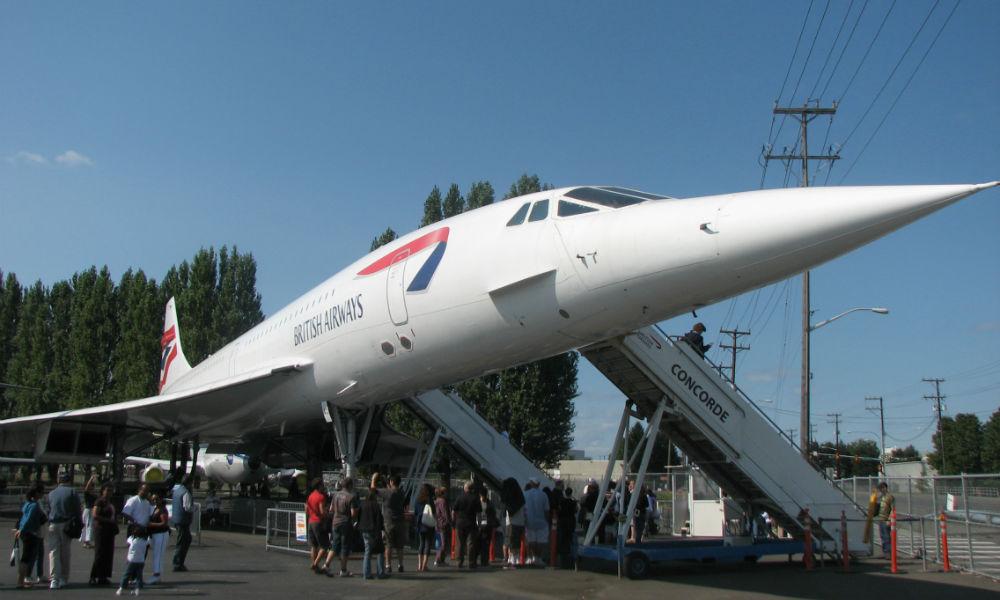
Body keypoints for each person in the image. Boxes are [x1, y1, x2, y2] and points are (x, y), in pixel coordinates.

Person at [47, 471, 82, 589]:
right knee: (65, 551)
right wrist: (79, 524)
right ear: (69, 481)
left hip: (52, 523)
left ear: (59, 481)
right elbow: (77, 510)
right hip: (66, 524)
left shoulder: (51, 493)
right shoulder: (72, 492)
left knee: (53, 552)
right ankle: (63, 577)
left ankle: (54, 579)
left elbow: (49, 508)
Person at [325, 476, 358, 577]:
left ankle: (326, 564)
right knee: (344, 547)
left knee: (334, 544)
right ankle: (343, 570)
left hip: (336, 522)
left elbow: (331, 509)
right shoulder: (351, 497)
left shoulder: (336, 495)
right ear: (350, 486)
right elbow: (353, 513)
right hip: (345, 523)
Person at [14, 488, 46, 589]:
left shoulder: (27, 504)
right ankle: (20, 581)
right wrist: (22, 529)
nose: (42, 494)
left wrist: (20, 528)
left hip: (26, 532)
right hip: (30, 533)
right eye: (41, 492)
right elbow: (28, 519)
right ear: (36, 493)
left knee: (26, 557)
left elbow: (23, 517)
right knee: (26, 558)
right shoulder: (34, 505)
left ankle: (21, 580)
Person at [376, 473, 407, 573]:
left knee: (388, 545)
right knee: (399, 546)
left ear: (392, 482)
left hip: (388, 521)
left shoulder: (387, 492)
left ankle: (388, 565)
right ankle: (400, 564)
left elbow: (374, 490)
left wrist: (373, 479)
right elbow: (391, 490)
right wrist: (387, 481)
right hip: (400, 521)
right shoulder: (401, 492)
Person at [89, 483, 118, 586]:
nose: (109, 493)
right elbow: (95, 515)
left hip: (109, 530)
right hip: (101, 530)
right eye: (107, 490)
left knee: (108, 554)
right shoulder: (99, 501)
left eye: (111, 490)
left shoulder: (110, 502)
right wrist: (107, 520)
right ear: (103, 491)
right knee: (100, 553)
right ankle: (93, 576)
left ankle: (103, 577)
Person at [357, 483, 387, 580]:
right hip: (374, 529)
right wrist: (382, 530)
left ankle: (366, 573)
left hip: (364, 529)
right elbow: (379, 519)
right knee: (380, 551)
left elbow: (359, 517)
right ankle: (381, 572)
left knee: (367, 551)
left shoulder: (363, 504)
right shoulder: (375, 505)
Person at [451, 480, 481, 568]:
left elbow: (453, 511)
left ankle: (459, 561)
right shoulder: (475, 498)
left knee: (459, 543)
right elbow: (479, 514)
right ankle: (471, 562)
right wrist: (479, 524)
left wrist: (454, 521)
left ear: (465, 488)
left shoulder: (460, 498)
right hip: (471, 523)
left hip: (460, 523)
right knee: (470, 543)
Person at [304, 477, 330, 574]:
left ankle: (315, 563)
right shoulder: (321, 497)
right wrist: (327, 513)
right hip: (318, 522)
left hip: (310, 521)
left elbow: (306, 510)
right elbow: (322, 511)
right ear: (319, 486)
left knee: (313, 545)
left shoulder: (310, 496)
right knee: (324, 545)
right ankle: (315, 563)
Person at [522, 478, 550, 566]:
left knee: (530, 540)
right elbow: (546, 510)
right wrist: (548, 520)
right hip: (541, 521)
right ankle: (538, 557)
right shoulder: (543, 495)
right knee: (541, 541)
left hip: (529, 521)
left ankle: (530, 557)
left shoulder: (525, 494)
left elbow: (523, 508)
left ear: (531, 483)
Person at [171, 474, 195, 572]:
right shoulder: (186, 493)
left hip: (177, 519)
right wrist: (196, 508)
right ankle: (177, 563)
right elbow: (187, 507)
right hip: (183, 520)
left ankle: (179, 562)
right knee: (182, 542)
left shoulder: (177, 491)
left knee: (185, 539)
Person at [500, 477, 525, 567]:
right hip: (519, 521)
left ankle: (513, 559)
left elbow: (506, 509)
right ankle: (515, 558)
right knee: (516, 541)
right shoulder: (520, 497)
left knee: (510, 541)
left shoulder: (508, 498)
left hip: (510, 522)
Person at [146, 494, 170, 585]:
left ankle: (156, 575)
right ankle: (156, 575)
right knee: (156, 554)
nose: (155, 501)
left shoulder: (162, 510)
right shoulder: (155, 509)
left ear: (160, 500)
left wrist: (151, 524)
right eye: (153, 500)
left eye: (157, 499)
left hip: (162, 534)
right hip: (155, 535)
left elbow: (164, 523)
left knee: (158, 554)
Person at [116, 530, 148, 597]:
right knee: (139, 576)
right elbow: (148, 541)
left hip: (132, 560)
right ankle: (137, 590)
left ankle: (121, 588)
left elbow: (128, 541)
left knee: (127, 575)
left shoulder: (133, 540)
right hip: (141, 561)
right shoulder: (145, 542)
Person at [415, 483, 436, 572]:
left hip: (420, 523)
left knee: (421, 544)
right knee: (428, 544)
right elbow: (434, 513)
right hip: (428, 524)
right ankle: (424, 565)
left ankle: (419, 565)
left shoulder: (417, 500)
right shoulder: (429, 500)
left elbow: (415, 512)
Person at [476, 487, 499, 567]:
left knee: (478, 543)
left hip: (479, 525)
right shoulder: (490, 503)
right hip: (488, 525)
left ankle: (476, 559)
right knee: (486, 544)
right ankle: (484, 560)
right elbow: (494, 514)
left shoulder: (478, 502)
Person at [556, 485, 577, 568]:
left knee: (561, 539)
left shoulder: (562, 501)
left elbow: (559, 510)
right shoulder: (573, 502)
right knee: (569, 539)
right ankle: (569, 556)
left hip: (562, 521)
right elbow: (575, 511)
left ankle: (561, 558)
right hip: (570, 521)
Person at [433, 486, 452, 567]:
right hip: (443, 524)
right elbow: (446, 514)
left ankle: (439, 558)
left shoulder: (435, 501)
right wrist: (451, 523)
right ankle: (439, 559)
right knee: (444, 543)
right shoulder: (443, 502)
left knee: (438, 542)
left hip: (437, 524)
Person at [876, 482, 895, 557]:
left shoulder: (890, 497)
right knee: (883, 536)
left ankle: (888, 553)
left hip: (886, 519)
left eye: (881, 489)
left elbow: (892, 509)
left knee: (887, 536)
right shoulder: (882, 497)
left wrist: (889, 520)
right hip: (881, 518)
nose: (880, 491)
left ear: (885, 488)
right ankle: (884, 551)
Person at [80, 473, 98, 549]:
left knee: (90, 525)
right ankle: (86, 541)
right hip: (88, 510)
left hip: (91, 510)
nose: (93, 488)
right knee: (88, 525)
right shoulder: (87, 494)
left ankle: (87, 541)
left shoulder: (94, 494)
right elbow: (87, 488)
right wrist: (91, 478)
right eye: (92, 486)